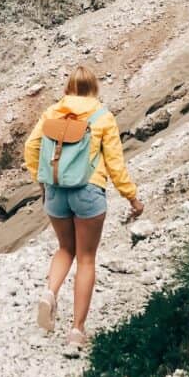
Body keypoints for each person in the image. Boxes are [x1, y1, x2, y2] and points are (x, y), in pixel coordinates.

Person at [23, 64, 143, 352]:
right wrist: (132, 198)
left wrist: (42, 182)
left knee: (65, 249)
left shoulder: (52, 113)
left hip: (55, 192)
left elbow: (31, 147)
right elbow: (115, 164)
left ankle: (50, 293)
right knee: (86, 258)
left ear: (68, 89)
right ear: (94, 90)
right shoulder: (102, 117)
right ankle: (76, 331)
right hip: (88, 192)